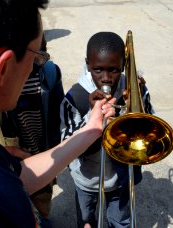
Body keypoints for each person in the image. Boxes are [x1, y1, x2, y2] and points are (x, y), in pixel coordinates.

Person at [0, 0, 115, 228]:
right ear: (1, 70)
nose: (38, 66)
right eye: (37, 56)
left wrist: (92, 129)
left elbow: (17, 177)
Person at [60, 31, 155, 228]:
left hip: (121, 179)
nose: (106, 78)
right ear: (88, 64)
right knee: (87, 220)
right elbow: (66, 144)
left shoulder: (134, 90)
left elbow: (150, 132)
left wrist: (132, 107)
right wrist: (92, 119)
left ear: (123, 66)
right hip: (86, 180)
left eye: (113, 70)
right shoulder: (74, 97)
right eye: (97, 70)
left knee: (121, 221)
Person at [0, 34, 65, 228]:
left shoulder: (50, 73)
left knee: (42, 201)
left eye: (43, 55)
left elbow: (59, 113)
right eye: (31, 57)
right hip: (13, 160)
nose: (35, 65)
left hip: (42, 151)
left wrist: (55, 148)